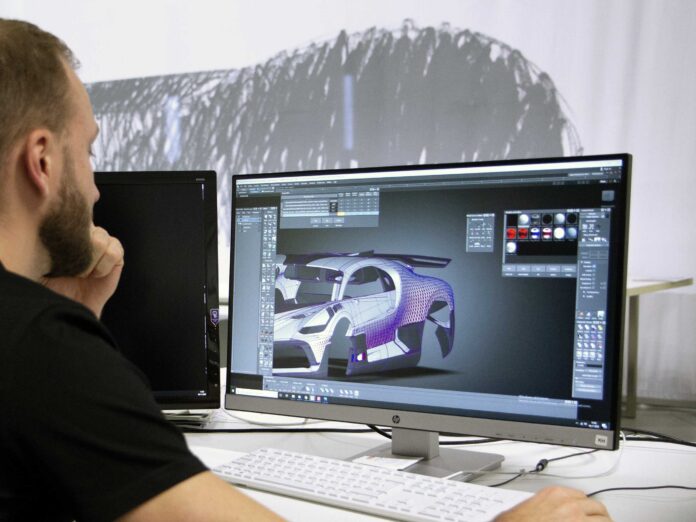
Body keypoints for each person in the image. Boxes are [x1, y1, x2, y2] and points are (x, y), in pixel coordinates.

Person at [0, 18, 612, 522]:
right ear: (43, 160)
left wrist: (76, 317)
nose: (96, 188)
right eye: (89, 151)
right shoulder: (42, 350)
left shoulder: (36, 344)